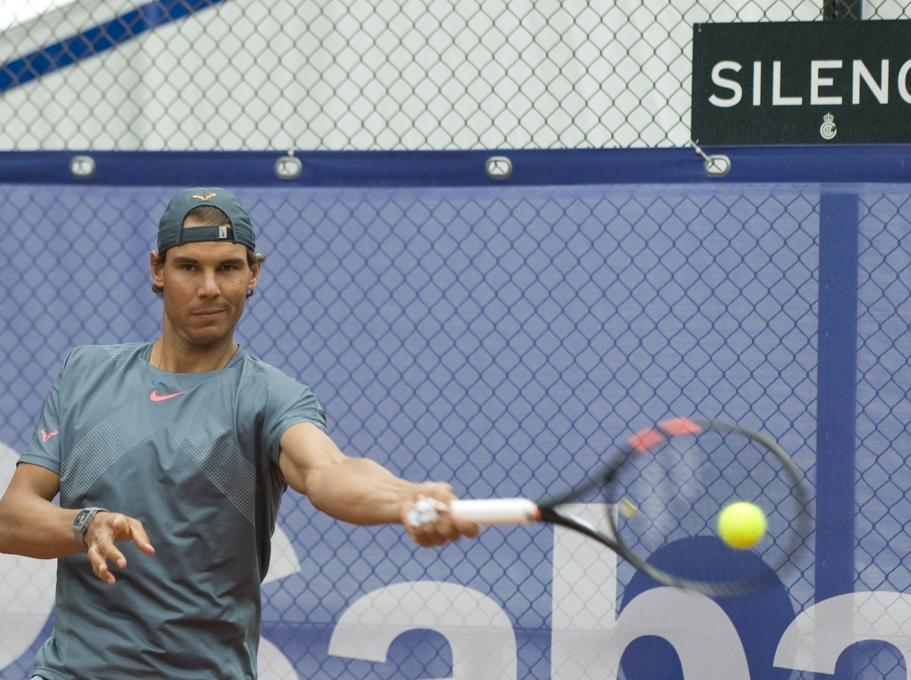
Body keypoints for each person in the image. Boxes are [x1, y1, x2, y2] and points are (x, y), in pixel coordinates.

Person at [0, 187, 478, 679]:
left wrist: (404, 499)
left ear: (254, 273)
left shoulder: (271, 397)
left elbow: (327, 471)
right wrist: (85, 525)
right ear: (157, 270)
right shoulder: (85, 374)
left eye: (228, 267)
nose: (209, 287)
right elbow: (11, 519)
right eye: (189, 267)